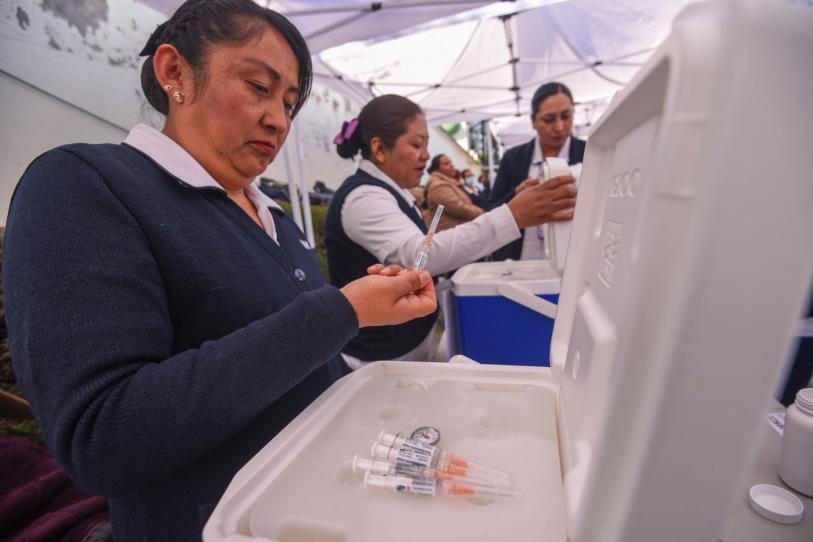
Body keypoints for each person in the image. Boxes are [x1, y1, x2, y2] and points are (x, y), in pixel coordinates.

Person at [2, 1, 435, 540]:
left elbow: (298, 367)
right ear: (174, 71)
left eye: (289, 101)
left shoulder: (271, 213)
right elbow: (104, 435)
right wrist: (341, 310)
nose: (279, 118)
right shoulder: (83, 186)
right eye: (258, 85)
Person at [325, 95, 576, 368]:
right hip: (378, 361)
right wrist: (512, 216)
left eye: (427, 144)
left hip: (406, 348)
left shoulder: (391, 192)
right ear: (379, 149)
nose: (426, 155)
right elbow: (419, 256)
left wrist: (511, 202)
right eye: (417, 144)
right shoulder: (363, 198)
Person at [490, 81, 585, 260]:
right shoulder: (513, 159)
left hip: (574, 260)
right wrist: (515, 195)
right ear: (533, 121)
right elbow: (491, 209)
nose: (559, 127)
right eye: (549, 120)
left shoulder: (589, 153)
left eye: (566, 116)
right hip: (521, 261)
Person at [424, 154, 484, 231]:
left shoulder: (449, 183)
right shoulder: (438, 186)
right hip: (452, 234)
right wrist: (481, 212)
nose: (451, 165)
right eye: (446, 164)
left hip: (457, 230)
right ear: (436, 169)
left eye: (451, 162)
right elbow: (459, 209)